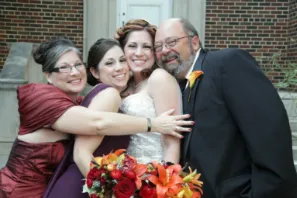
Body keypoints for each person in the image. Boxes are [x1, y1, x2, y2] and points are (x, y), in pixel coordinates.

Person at [0, 37, 192, 198]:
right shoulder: (43, 96)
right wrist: (154, 124)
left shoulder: (84, 100)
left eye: (77, 65)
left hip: (56, 185)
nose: (74, 72)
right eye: (64, 68)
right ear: (49, 76)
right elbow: (97, 124)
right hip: (20, 190)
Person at [154, 18, 297, 198]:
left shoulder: (227, 63)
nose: (165, 50)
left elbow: (270, 132)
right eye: (158, 47)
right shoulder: (175, 88)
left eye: (171, 42)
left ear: (195, 42)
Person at [44, 38, 132, 198]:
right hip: (78, 187)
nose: (119, 68)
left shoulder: (99, 94)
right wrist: (107, 193)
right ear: (95, 72)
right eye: (110, 63)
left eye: (122, 60)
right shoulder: (109, 94)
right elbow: (81, 154)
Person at [115, 19, 183, 164]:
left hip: (155, 174)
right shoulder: (124, 85)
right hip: (125, 175)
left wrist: (167, 182)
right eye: (132, 46)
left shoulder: (160, 79)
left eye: (146, 47)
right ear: (123, 50)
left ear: (154, 52)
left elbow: (172, 144)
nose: (139, 53)